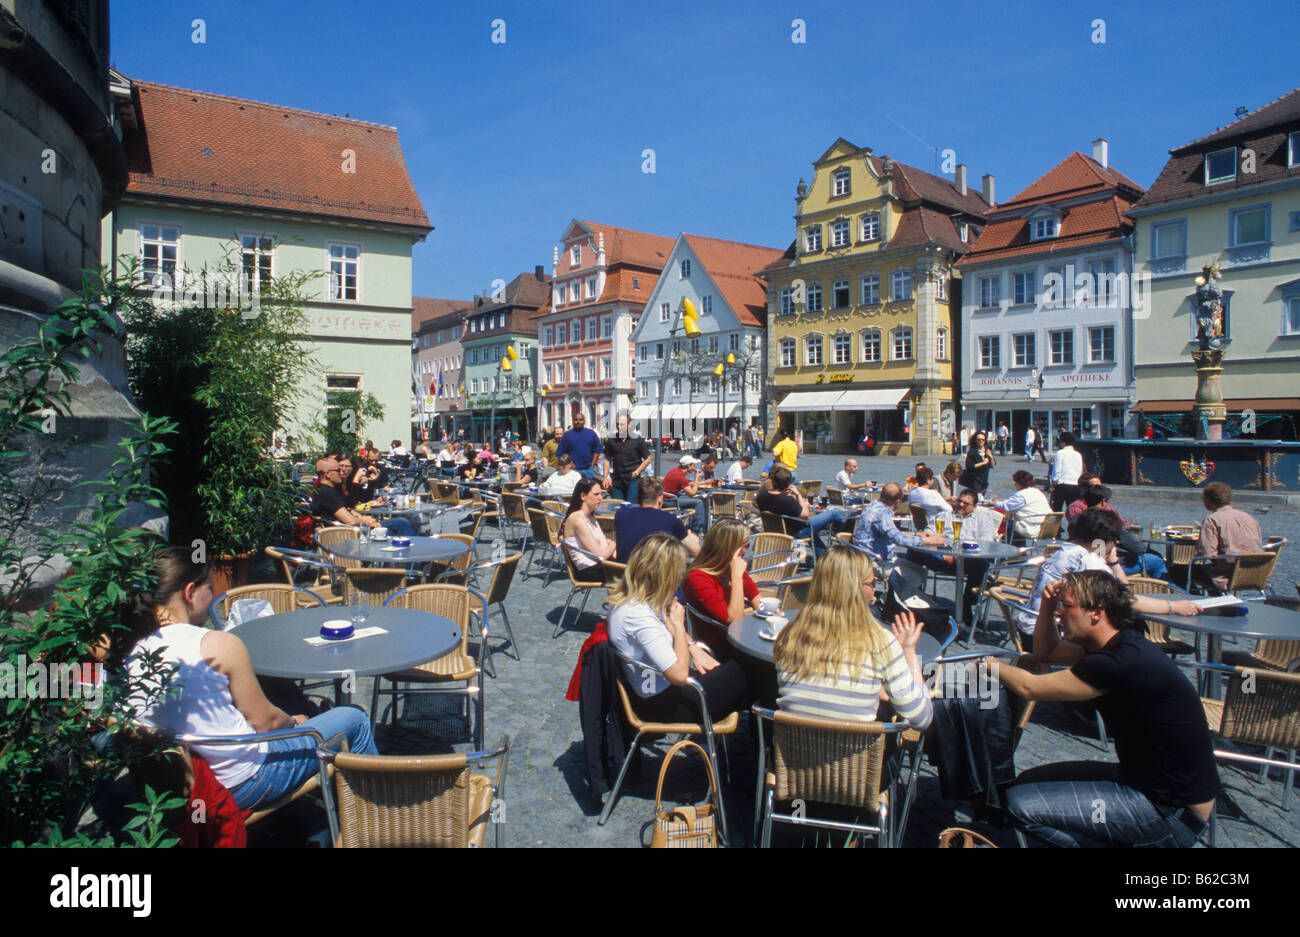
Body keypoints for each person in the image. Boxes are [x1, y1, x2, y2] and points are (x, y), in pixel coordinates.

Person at [114, 547, 377, 811]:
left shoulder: (133, 652)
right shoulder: (218, 644)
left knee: (280, 694)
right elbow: (266, 723)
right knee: (353, 718)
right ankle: (372, 821)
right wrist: (295, 721)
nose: (213, 594)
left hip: (181, 785)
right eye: (208, 587)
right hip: (243, 782)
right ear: (190, 592)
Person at [985, 570, 1218, 847]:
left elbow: (1030, 688)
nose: (1061, 613)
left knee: (1020, 805)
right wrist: (1047, 605)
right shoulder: (1115, 643)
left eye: (1067, 606)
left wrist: (990, 665)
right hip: (1142, 781)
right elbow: (1046, 653)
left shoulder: (1116, 663)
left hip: (1171, 812)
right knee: (1025, 783)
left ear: (1096, 612)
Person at [775, 545, 932, 729]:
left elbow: (826, 687)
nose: (874, 591)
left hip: (793, 755)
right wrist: (909, 651)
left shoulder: (789, 636)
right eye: (871, 583)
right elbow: (922, 719)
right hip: (857, 757)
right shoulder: (881, 643)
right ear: (857, 589)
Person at [607, 533, 749, 722]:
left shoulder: (633, 600)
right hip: (661, 702)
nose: (678, 581)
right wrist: (678, 625)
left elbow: (663, 622)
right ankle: (763, 742)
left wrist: (692, 648)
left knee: (741, 672)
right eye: (677, 574)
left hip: (655, 688)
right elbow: (679, 675)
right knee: (749, 672)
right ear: (665, 575)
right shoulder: (638, 617)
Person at [1014, 509, 1199, 644]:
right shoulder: (1088, 560)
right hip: (1050, 636)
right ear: (1102, 542)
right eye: (1113, 541)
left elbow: (1122, 589)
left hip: (1031, 628)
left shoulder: (1067, 551)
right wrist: (1173, 606)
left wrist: (1113, 562)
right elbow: (1126, 599)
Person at [905, 489, 998, 624]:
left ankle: (966, 605)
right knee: (915, 552)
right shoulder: (944, 515)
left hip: (966, 560)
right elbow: (928, 534)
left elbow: (986, 542)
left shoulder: (982, 519)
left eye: (966, 503)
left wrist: (960, 553)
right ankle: (914, 599)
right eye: (959, 501)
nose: (960, 505)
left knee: (982, 564)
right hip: (941, 557)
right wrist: (941, 549)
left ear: (974, 506)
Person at [683, 519, 762, 654]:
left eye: (747, 546)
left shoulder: (730, 567)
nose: (745, 551)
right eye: (743, 546)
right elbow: (735, 620)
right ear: (727, 547)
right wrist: (736, 577)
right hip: (722, 647)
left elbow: (757, 599)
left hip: (742, 639)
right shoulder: (698, 577)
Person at [852, 482, 944, 584]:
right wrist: (927, 541)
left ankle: (894, 596)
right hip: (874, 562)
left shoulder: (873, 505)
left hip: (864, 558)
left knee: (921, 571)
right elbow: (898, 539)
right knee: (916, 576)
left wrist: (917, 535)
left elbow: (891, 533)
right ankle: (891, 599)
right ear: (898, 502)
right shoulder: (882, 513)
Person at [758, 464, 847, 558]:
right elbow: (806, 515)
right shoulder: (787, 500)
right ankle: (846, 541)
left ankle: (824, 557)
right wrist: (798, 495)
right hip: (799, 530)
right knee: (834, 513)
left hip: (779, 529)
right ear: (788, 483)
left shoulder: (763, 495)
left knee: (812, 532)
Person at [309, 458, 415, 536]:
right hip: (346, 534)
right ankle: (411, 562)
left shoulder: (332, 489)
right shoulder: (326, 493)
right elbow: (350, 521)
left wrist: (371, 522)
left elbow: (349, 509)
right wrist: (369, 523)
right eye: (338, 470)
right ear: (328, 474)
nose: (341, 472)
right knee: (398, 530)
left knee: (402, 522)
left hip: (352, 529)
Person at [614, 474, 701, 563]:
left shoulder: (621, 515)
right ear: (660, 499)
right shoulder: (671, 520)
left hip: (624, 573)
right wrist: (694, 540)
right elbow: (696, 552)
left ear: (637, 499)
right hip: (657, 576)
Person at [1195, 482, 1264, 592]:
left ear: (1208, 501)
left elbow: (1206, 553)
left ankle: (1200, 602)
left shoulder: (1212, 520)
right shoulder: (1249, 518)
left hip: (1228, 574)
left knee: (1178, 570)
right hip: (1255, 571)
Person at [559, 477, 616, 582]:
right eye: (596, 494)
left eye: (601, 494)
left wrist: (607, 547)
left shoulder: (590, 516)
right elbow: (601, 555)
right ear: (583, 496)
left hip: (598, 564)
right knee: (634, 571)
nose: (600, 498)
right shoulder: (577, 519)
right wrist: (613, 543)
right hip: (588, 570)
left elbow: (603, 546)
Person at [602, 412, 651, 503]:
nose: (619, 427)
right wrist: (605, 477)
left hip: (633, 479)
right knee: (617, 507)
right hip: (617, 480)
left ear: (629, 425)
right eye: (617, 424)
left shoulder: (637, 439)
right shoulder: (611, 440)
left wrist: (637, 472)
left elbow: (648, 459)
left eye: (622, 425)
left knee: (631, 506)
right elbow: (607, 459)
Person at [993, 470, 1052, 544]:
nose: (1015, 485)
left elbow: (1006, 506)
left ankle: (1010, 550)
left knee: (1007, 524)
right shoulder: (1038, 492)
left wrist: (993, 503)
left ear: (1020, 483)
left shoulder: (1022, 495)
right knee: (1015, 524)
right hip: (1046, 526)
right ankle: (1020, 549)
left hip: (1033, 527)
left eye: (1015, 483)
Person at [663, 454, 709, 536]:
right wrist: (697, 477)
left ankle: (693, 526)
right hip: (671, 501)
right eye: (693, 465)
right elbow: (692, 493)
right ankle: (698, 530)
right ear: (688, 465)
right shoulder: (680, 476)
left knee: (695, 499)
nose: (695, 466)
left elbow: (685, 484)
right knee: (699, 502)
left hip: (667, 498)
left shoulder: (675, 471)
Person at [557, 412, 603, 480]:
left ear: (584, 421)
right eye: (576, 420)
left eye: (580, 420)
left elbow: (597, 450)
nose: (578, 422)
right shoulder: (567, 435)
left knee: (588, 489)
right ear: (573, 421)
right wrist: (566, 466)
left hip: (588, 469)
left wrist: (592, 464)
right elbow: (561, 453)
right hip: (572, 470)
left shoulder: (591, 433)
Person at [1049, 431, 1084, 512]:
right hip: (1075, 485)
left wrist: (1053, 482)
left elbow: (1057, 471)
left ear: (1063, 442)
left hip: (1062, 484)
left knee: (1056, 509)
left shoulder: (1060, 453)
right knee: (1073, 510)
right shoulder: (1078, 454)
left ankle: (1057, 525)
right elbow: (1080, 470)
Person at [960, 430, 995, 495]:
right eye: (979, 440)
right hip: (975, 481)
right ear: (975, 440)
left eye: (983, 440)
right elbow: (969, 466)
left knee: (981, 498)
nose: (981, 441)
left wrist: (991, 457)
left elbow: (992, 465)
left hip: (984, 481)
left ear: (985, 441)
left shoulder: (987, 450)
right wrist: (983, 463)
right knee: (977, 498)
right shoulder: (972, 451)